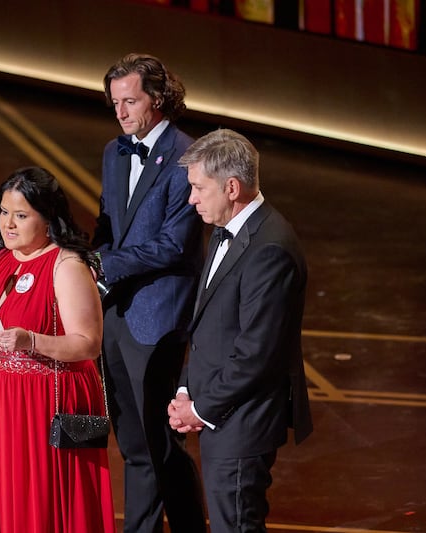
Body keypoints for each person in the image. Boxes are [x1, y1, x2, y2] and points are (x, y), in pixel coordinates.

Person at [168, 128, 314, 532]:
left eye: (198, 187)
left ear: (231, 187)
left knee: (236, 525)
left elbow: (257, 353)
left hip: (243, 423)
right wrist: (185, 389)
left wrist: (200, 409)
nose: (191, 198)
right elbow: (208, 327)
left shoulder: (270, 249)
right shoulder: (223, 230)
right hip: (222, 412)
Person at [0, 166, 116, 533]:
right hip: (0, 403)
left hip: (44, 404)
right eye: (4, 212)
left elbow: (88, 344)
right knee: (7, 499)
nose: (8, 224)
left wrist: (30, 340)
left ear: (48, 219)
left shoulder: (67, 266)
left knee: (42, 504)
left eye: (21, 215)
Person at [92, 53, 207, 532]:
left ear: (158, 99)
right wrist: (88, 261)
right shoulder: (114, 152)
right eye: (115, 101)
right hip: (117, 314)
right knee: (136, 444)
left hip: (159, 317)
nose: (120, 112)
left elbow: (174, 244)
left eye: (130, 100)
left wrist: (105, 264)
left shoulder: (188, 156)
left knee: (156, 442)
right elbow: (107, 226)